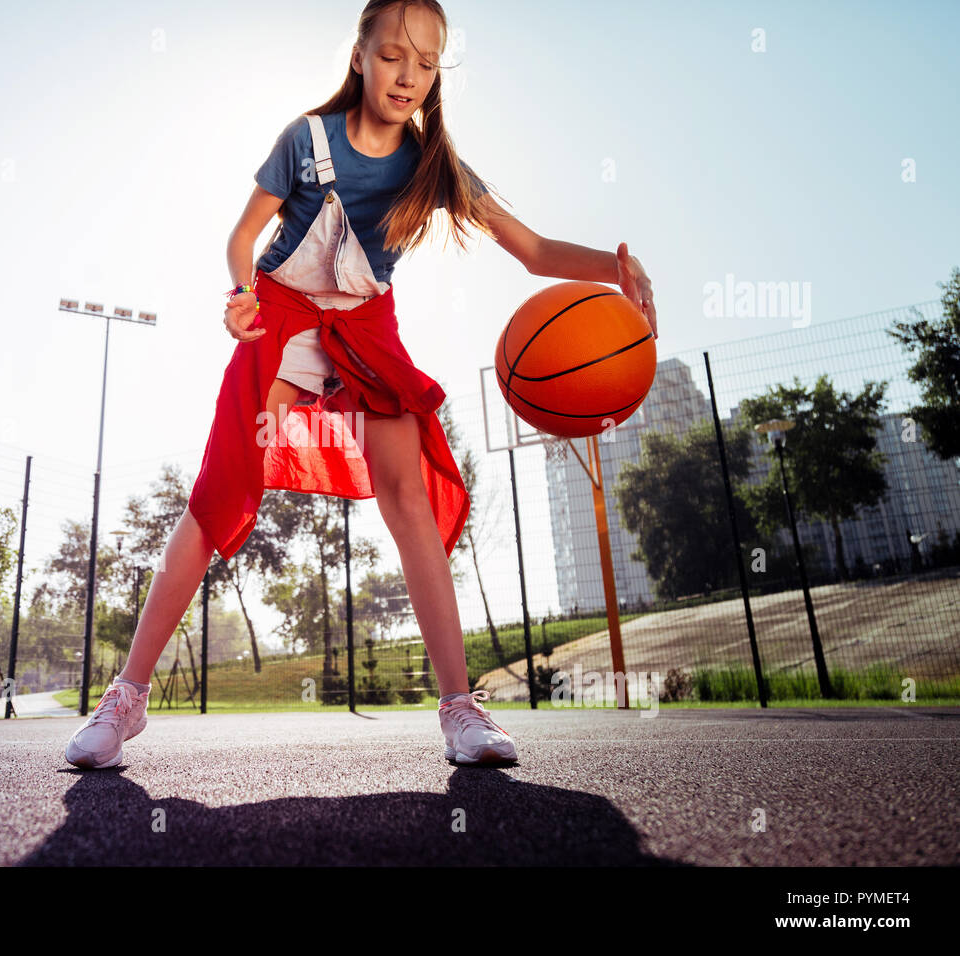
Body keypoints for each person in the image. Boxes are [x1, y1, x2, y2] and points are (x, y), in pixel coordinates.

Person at [65, 0, 658, 770]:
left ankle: (459, 710)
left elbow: (534, 249)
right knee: (219, 491)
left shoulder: (432, 165)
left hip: (365, 326)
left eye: (426, 61)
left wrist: (616, 267)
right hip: (279, 313)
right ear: (359, 55)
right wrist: (239, 293)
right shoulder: (304, 141)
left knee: (406, 491)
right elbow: (244, 235)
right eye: (391, 55)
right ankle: (127, 700)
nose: (407, 74)